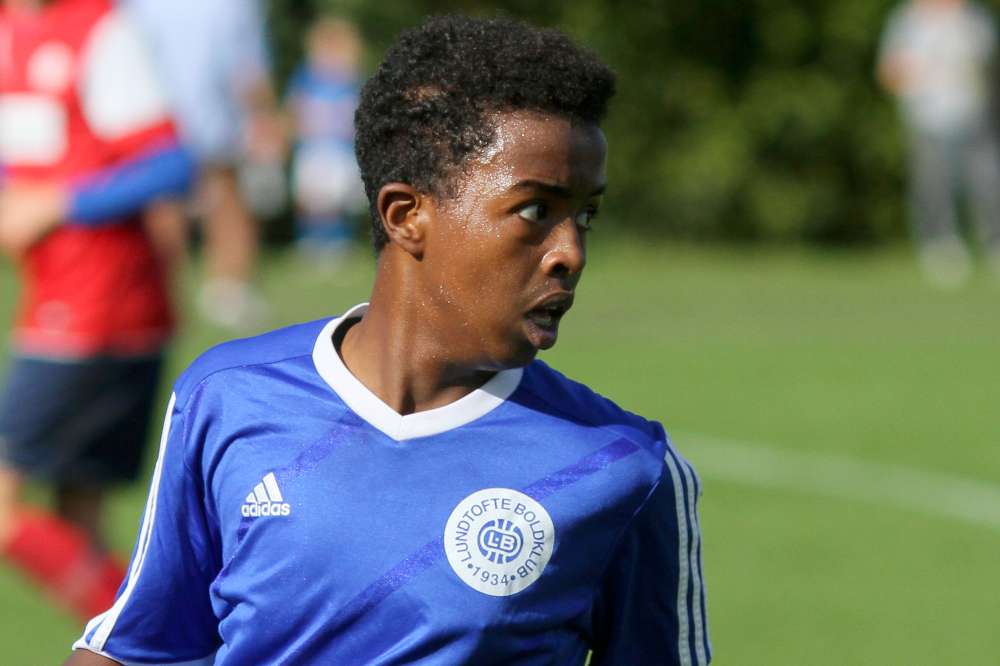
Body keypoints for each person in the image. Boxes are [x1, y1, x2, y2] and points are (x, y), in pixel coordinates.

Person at [68, 15, 710, 665]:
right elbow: (134, 650)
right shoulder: (227, 398)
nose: (570, 252)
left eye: (585, 216)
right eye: (535, 211)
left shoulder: (624, 468)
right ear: (407, 216)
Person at [0, 0, 192, 621]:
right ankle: (152, 647)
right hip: (54, 301)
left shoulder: (100, 30)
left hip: (104, 305)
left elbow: (170, 164)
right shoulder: (8, 31)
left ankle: (159, 645)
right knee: (77, 519)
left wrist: (59, 203)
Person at [124, 0, 283, 328]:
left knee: (167, 205)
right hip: (207, 115)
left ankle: (170, 292)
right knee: (222, 199)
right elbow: (249, 66)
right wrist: (264, 114)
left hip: (158, 116)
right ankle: (227, 290)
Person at [877, 0, 1000, 287]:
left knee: (988, 182)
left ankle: (994, 242)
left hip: (974, 116)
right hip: (927, 117)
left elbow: (988, 64)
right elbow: (889, 72)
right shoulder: (907, 20)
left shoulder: (975, 18)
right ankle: (941, 247)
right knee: (933, 185)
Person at [287, 16, 366, 261]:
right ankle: (311, 238)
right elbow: (295, 108)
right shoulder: (305, 78)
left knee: (338, 196)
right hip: (313, 147)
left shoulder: (352, 80)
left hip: (340, 148)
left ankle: (338, 239)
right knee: (312, 196)